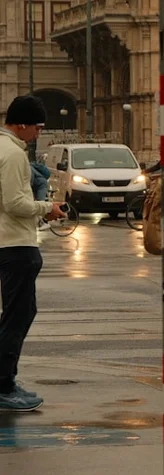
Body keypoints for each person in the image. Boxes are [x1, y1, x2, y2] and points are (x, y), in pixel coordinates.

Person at [0, 95, 65, 412]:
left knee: (17, 313)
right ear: (22, 124)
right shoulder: (12, 154)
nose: (39, 133)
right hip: (16, 244)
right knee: (18, 315)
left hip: (7, 242)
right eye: (37, 127)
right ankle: (3, 384)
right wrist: (47, 208)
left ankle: (6, 380)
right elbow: (15, 204)